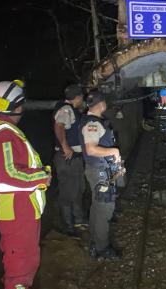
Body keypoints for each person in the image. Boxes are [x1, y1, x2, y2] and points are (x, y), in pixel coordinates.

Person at [0, 80, 50, 289]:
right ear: (16, 107)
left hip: (15, 209)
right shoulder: (3, 133)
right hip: (16, 210)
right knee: (21, 264)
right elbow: (10, 173)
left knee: (19, 257)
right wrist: (42, 176)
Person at [79, 90, 123, 259]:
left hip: (98, 170)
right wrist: (114, 151)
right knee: (104, 208)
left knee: (97, 206)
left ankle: (95, 242)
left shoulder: (90, 121)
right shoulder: (93, 123)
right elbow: (91, 149)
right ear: (102, 104)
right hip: (100, 172)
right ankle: (102, 249)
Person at [53, 84, 86, 236]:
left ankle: (78, 220)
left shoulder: (71, 110)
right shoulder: (66, 109)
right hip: (67, 158)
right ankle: (68, 226)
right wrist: (65, 146)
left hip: (75, 158)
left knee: (77, 189)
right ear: (78, 97)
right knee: (67, 192)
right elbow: (59, 126)